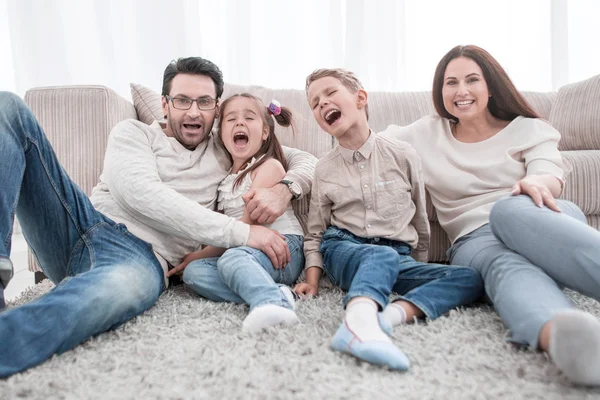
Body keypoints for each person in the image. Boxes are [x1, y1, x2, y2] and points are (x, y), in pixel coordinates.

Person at [0, 57, 316, 377]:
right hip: (81, 224)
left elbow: (304, 158)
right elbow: (140, 194)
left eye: (204, 102)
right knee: (8, 108)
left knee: (98, 297)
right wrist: (244, 233)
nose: (193, 111)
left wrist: (284, 189)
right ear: (165, 104)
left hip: (142, 257)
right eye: (182, 100)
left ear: (215, 109)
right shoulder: (133, 133)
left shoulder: (227, 146)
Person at [381, 44, 600, 385]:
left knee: (508, 210)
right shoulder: (425, 133)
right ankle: (565, 340)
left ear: (491, 85)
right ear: (441, 91)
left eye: (472, 80)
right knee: (506, 267)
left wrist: (535, 181)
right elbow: (367, 143)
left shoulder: (529, 128)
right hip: (476, 241)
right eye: (450, 82)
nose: (461, 91)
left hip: (541, 220)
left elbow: (548, 173)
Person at [297, 68, 484, 371]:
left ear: (360, 98)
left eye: (330, 94)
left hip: (396, 256)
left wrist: (417, 263)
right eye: (315, 103)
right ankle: (356, 325)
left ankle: (387, 318)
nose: (322, 104)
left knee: (469, 279)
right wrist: (312, 280)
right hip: (344, 249)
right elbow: (316, 233)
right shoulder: (324, 168)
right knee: (379, 255)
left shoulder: (403, 154)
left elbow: (420, 221)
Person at [167, 94, 304, 333]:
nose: (239, 123)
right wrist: (193, 261)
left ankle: (270, 303)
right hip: (244, 251)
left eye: (249, 118)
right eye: (230, 119)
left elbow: (244, 228)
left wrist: (198, 254)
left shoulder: (269, 166)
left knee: (231, 259)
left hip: (282, 246)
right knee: (194, 273)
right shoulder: (224, 178)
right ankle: (278, 293)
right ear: (221, 134)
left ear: (264, 133)